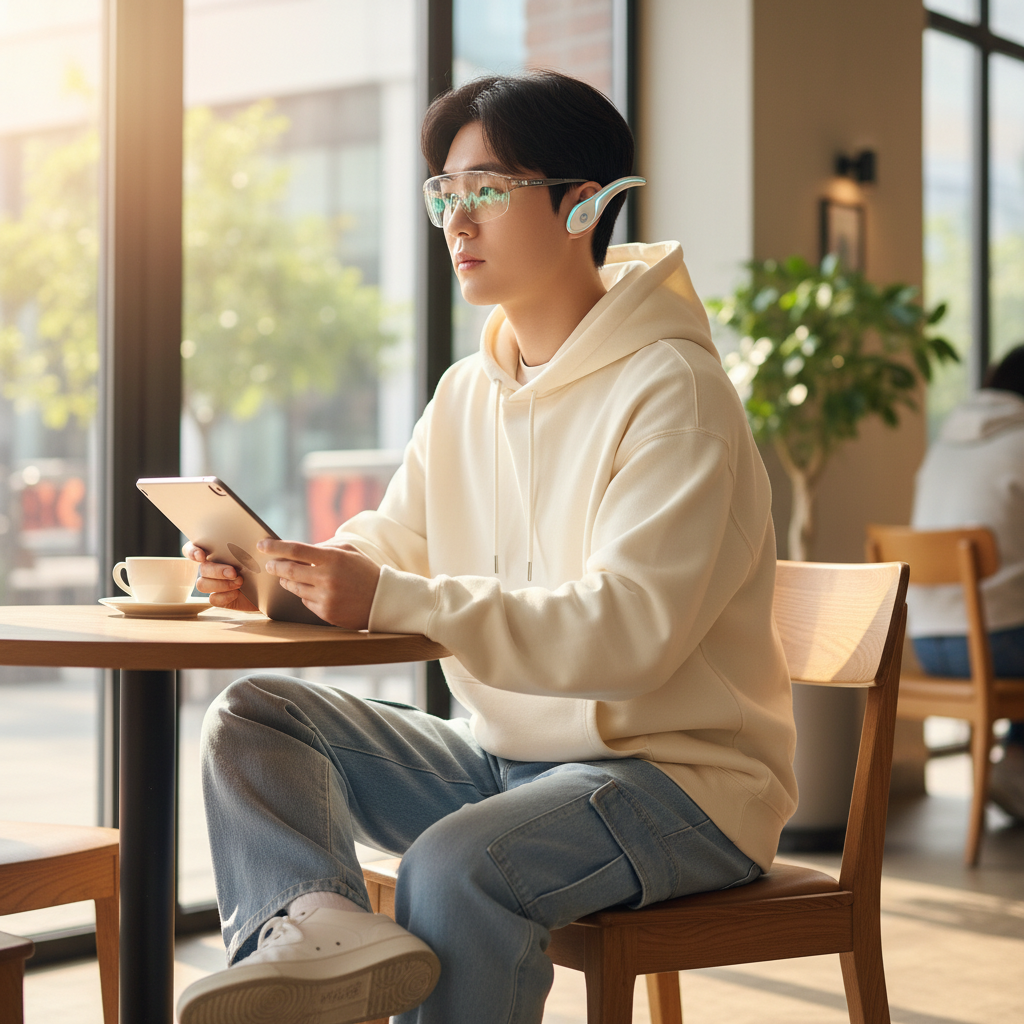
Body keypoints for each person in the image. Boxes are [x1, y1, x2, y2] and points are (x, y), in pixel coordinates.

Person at [176, 71, 798, 1024]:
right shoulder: (470, 388)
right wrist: (281, 573)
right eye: (445, 195)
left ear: (584, 206)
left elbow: (631, 634)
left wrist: (392, 596)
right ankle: (312, 939)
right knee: (257, 717)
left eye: (488, 191)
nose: (457, 221)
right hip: (505, 764)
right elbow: (397, 543)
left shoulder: (675, 392)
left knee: (457, 865)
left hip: (681, 784)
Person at [910, 344, 1024, 820]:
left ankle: (1016, 765)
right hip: (993, 646)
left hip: (926, 643)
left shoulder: (943, 444)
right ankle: (1015, 764)